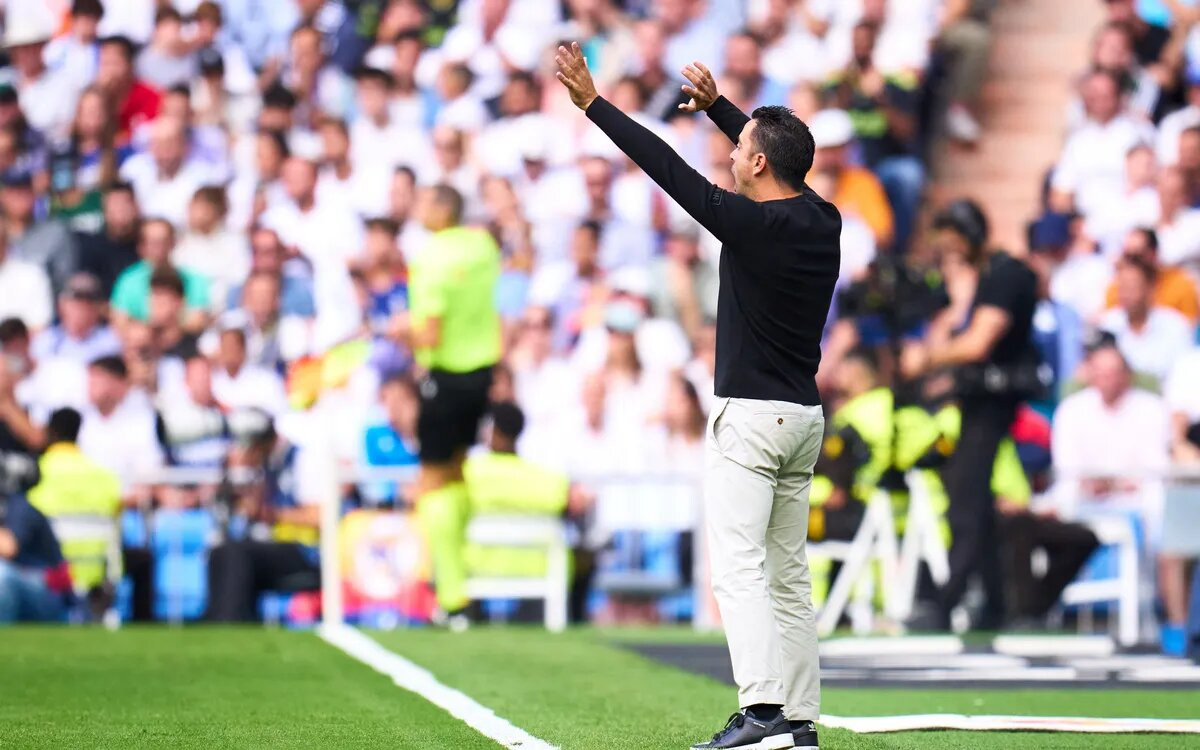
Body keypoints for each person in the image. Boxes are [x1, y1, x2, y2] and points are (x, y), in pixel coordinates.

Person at [557, 43, 836, 749]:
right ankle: (800, 719)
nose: (732, 153)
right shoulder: (821, 219)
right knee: (788, 577)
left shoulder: (749, 224)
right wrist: (718, 108)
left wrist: (595, 105)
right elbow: (773, 159)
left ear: (758, 164)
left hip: (750, 419)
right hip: (802, 416)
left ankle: (762, 710)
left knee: (737, 568)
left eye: (739, 146)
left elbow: (666, 169)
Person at [902, 199, 1038, 631]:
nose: (949, 258)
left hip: (994, 402)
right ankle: (995, 603)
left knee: (966, 501)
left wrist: (926, 360)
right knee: (972, 499)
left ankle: (948, 601)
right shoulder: (980, 280)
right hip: (974, 401)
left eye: (954, 247)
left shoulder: (1007, 276)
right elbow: (956, 329)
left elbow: (977, 344)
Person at [394, 184, 500, 628]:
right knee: (457, 472)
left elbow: (430, 335)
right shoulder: (482, 245)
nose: (416, 210)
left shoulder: (431, 257)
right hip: (481, 375)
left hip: (445, 376)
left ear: (442, 209)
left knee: (432, 482)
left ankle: (450, 596)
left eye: (422, 202)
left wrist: (399, 331)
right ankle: (461, 586)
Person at [27, 407, 122, 610]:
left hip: (53, 573)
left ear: (50, 433)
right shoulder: (103, 474)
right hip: (95, 571)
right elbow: (116, 511)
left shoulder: (37, 472)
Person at [0, 450, 71, 624]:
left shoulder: (19, 505)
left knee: (2, 574)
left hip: (49, 591)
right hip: (33, 585)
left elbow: (9, 548)